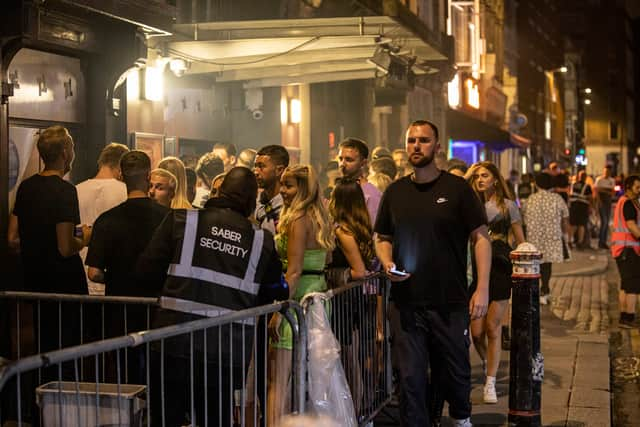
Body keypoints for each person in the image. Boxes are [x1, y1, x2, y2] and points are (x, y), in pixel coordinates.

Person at [137, 167, 287, 426]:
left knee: (165, 417)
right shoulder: (261, 240)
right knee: (215, 418)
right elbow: (274, 291)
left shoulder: (183, 220)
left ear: (220, 192)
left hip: (173, 341)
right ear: (251, 202)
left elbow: (146, 272)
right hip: (227, 348)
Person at [374, 120, 491, 427]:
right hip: (406, 303)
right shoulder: (395, 192)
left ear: (437, 147)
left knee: (453, 372)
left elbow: (481, 238)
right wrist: (386, 263)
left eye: (424, 140)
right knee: (410, 377)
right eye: (412, 140)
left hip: (449, 301)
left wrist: (482, 288)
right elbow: (382, 236)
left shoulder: (457, 190)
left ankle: (460, 418)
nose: (416, 145)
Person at [7, 125, 91, 380]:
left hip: (34, 279)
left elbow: (12, 238)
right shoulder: (65, 191)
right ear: (65, 152)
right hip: (64, 284)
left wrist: (36, 246)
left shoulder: (27, 187)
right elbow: (65, 246)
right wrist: (84, 236)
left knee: (42, 346)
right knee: (67, 350)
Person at [85, 151, 169, 383]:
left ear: (121, 176)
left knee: (126, 374)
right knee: (158, 372)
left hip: (120, 309)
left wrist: (118, 277)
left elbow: (94, 273)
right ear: (148, 176)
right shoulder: (169, 218)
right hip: (159, 307)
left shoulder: (107, 220)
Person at [267, 164, 334, 426]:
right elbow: (324, 259)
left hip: (297, 302)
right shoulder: (321, 217)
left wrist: (278, 312)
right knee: (312, 378)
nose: (282, 191)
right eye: (282, 184)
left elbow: (293, 272)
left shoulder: (297, 220)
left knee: (279, 379)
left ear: (303, 189)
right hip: (316, 298)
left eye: (288, 185)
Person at [465, 161, 525, 404]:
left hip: (499, 266)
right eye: (477, 176)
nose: (481, 180)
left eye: (485, 175)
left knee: (493, 327)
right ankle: (490, 363)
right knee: (476, 332)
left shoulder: (507, 206)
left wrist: (524, 265)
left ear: (495, 179)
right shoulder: (470, 204)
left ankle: (489, 382)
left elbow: (521, 239)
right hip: (474, 267)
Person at [75, 142, 129, 294]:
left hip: (81, 272)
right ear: (121, 168)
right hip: (109, 275)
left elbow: (72, 231)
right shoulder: (125, 191)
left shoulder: (76, 190)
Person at [522, 173, 569, 305]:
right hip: (551, 237)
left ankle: (536, 291)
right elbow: (565, 218)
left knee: (535, 265)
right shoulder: (557, 199)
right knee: (547, 265)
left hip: (534, 237)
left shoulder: (530, 199)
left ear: (536, 184)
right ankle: (545, 289)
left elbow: (523, 218)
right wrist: (566, 235)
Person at [611, 175, 640, 328]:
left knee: (625, 284)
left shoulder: (623, 201)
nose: (639, 190)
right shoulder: (628, 203)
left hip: (621, 250)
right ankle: (629, 317)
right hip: (629, 250)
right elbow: (631, 226)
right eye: (637, 187)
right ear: (629, 187)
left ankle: (624, 316)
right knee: (633, 286)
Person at [338, 137, 381, 224]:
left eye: (349, 160)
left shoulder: (371, 195)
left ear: (363, 163)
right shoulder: (339, 190)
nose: (342, 164)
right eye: (340, 159)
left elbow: (374, 232)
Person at [254, 145, 290, 234]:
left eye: (261, 166)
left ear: (279, 170)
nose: (256, 172)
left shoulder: (288, 207)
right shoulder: (256, 202)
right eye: (255, 166)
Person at [569, 170, 593, 249]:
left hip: (573, 206)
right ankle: (580, 242)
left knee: (573, 224)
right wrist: (591, 208)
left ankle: (570, 241)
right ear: (585, 177)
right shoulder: (587, 186)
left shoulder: (573, 185)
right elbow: (590, 198)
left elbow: (569, 195)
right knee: (581, 225)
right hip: (583, 207)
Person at [595, 165, 616, 249]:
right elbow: (596, 191)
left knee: (606, 223)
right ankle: (601, 242)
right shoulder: (599, 180)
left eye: (608, 171)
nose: (606, 173)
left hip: (608, 203)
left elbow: (612, 192)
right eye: (605, 171)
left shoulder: (612, 180)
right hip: (601, 203)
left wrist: (603, 190)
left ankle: (603, 242)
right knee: (604, 222)